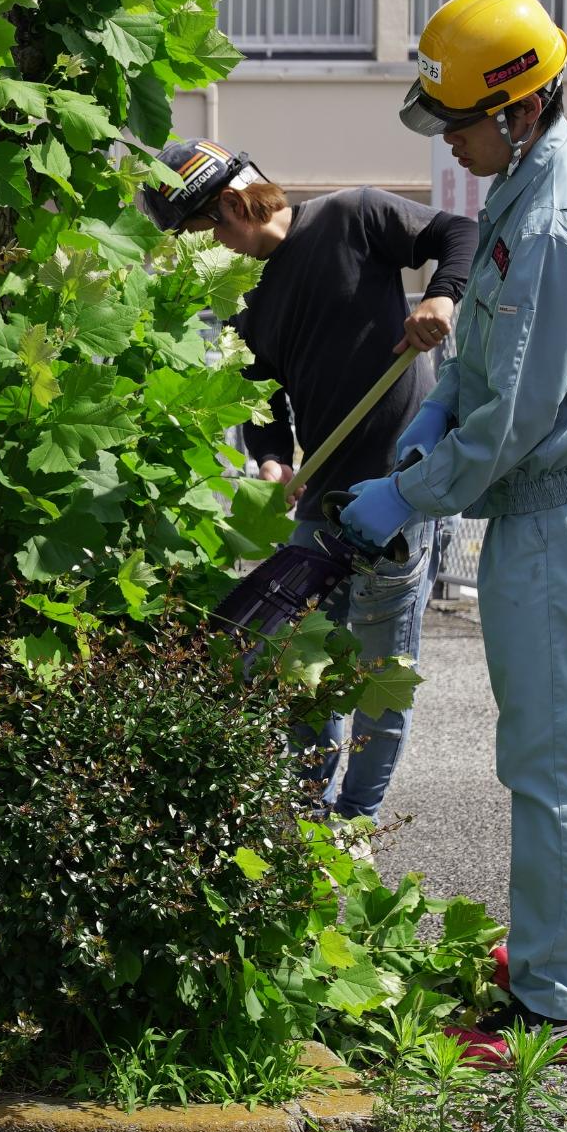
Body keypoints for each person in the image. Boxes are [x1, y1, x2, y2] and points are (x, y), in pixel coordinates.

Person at [339, 0, 567, 1064]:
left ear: (516, 108)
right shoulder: (548, 171)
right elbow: (494, 354)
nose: (450, 142)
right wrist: (437, 403)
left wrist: (405, 489)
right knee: (566, 742)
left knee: (545, 756)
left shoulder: (553, 215)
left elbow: (512, 419)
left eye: (459, 122)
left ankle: (563, 1005)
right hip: (564, 496)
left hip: (555, 506)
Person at [139, 139, 477, 822]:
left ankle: (357, 818)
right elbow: (263, 403)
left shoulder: (353, 215)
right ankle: (309, 810)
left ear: (234, 205)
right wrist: (270, 458)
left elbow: (459, 232)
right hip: (322, 500)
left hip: (400, 488)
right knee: (304, 664)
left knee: (382, 673)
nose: (208, 250)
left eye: (204, 230)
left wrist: (442, 298)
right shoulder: (250, 300)